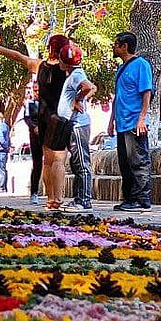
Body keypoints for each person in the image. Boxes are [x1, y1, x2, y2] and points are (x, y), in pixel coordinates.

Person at [0, 34, 68, 208]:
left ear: (49, 48)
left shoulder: (39, 65)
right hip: (59, 116)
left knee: (47, 161)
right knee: (59, 159)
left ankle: (49, 198)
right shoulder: (67, 68)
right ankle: (58, 197)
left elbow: (17, 56)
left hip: (42, 117)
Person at [111, 31, 153, 212]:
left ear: (124, 46)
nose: (113, 47)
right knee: (125, 163)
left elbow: (146, 92)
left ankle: (142, 200)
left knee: (138, 161)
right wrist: (111, 120)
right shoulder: (121, 69)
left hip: (134, 122)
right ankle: (129, 198)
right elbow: (118, 97)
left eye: (116, 44)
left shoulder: (141, 65)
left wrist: (141, 118)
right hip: (121, 123)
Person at [57, 44, 96, 212]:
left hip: (78, 125)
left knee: (81, 162)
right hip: (73, 125)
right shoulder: (74, 74)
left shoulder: (77, 74)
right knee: (76, 162)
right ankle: (78, 198)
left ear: (65, 62)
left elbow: (89, 87)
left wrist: (78, 99)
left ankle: (84, 201)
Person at [24, 88, 43, 205]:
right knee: (37, 163)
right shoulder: (30, 104)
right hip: (35, 136)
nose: (37, 93)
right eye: (35, 91)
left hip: (48, 135)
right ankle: (34, 192)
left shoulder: (49, 102)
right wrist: (34, 127)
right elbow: (27, 118)